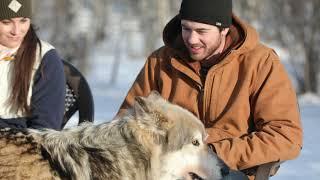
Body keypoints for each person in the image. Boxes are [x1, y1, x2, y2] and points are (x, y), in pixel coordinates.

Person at [117, 0, 303, 179]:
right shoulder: (160, 62)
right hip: (165, 170)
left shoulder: (260, 63)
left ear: (224, 29)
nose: (191, 39)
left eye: (201, 31)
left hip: (231, 170)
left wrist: (210, 153)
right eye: (186, 28)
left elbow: (285, 136)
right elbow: (126, 121)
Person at [0, 0, 65, 130]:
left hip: (20, 142)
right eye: (6, 22)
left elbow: (45, 128)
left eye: (23, 21)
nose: (16, 31)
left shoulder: (45, 59)